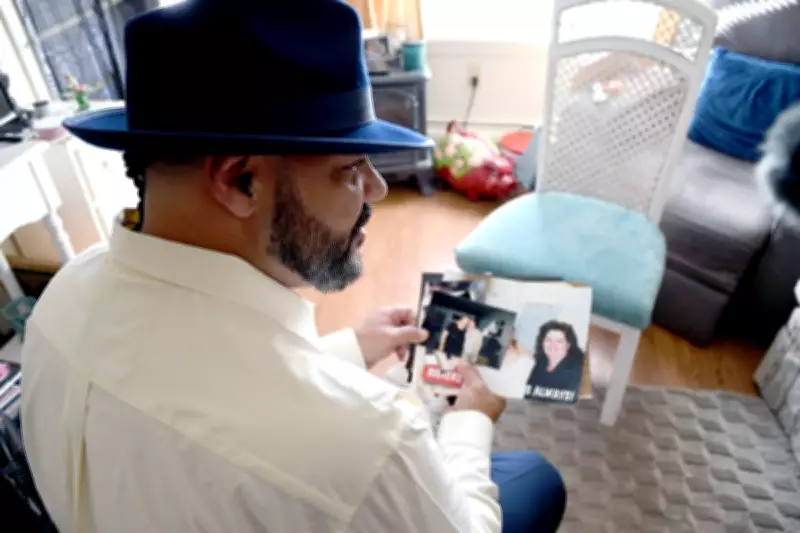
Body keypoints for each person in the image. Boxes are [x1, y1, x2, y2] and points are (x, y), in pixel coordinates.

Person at [20, 2, 565, 533]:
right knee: (535, 477)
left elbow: (214, 388)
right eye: (350, 169)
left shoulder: (64, 297)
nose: (376, 188)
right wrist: (471, 420)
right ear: (241, 181)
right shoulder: (367, 443)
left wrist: (351, 348)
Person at [525, 321, 585, 401]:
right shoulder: (539, 364)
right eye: (548, 340)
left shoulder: (577, 371)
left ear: (568, 345)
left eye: (559, 341)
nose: (552, 345)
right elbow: (527, 392)